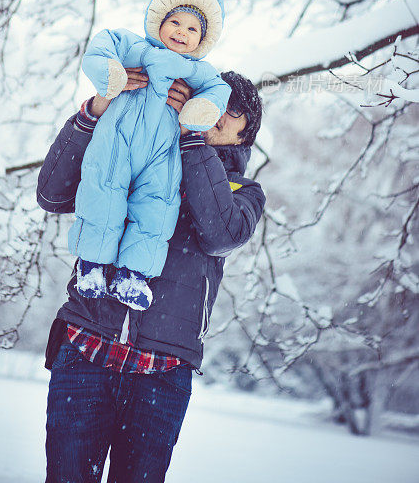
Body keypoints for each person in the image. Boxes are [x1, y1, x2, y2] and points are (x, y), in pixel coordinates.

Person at [37, 68, 265, 483]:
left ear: (244, 135)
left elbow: (220, 233)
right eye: (214, 99)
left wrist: (191, 138)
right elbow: (52, 193)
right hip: (86, 349)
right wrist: (95, 113)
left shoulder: (244, 193)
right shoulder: (136, 152)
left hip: (162, 374)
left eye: (233, 111)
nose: (219, 113)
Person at [69, 0, 231, 310]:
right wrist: (112, 73)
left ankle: (133, 275)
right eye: (175, 21)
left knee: (157, 207)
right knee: (104, 194)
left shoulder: (198, 71)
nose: (181, 32)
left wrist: (201, 109)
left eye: (192, 29)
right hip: (117, 141)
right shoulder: (134, 47)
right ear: (158, 20)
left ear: (202, 39)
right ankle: (91, 264)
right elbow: (99, 47)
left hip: (163, 153)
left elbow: (219, 92)